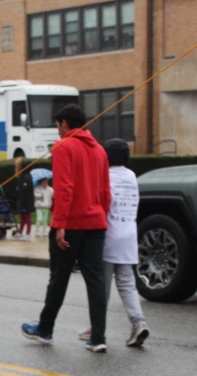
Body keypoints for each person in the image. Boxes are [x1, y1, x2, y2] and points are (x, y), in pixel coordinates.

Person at [21, 103, 110, 352]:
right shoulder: (100, 150)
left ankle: (45, 329)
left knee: (58, 278)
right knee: (96, 281)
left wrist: (60, 224)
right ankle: (98, 338)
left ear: (65, 123)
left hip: (71, 224)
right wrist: (103, 218)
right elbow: (106, 192)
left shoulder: (63, 146)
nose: (57, 130)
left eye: (58, 125)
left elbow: (64, 188)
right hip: (96, 223)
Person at [77, 139, 149, 347]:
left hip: (108, 235)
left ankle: (96, 329)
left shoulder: (104, 175)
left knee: (101, 286)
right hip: (129, 234)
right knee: (127, 283)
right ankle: (138, 322)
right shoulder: (132, 176)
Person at [12, 158, 34, 241]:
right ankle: (20, 232)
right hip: (22, 200)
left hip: (26, 201)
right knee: (22, 218)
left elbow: (26, 190)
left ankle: (28, 233)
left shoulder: (26, 177)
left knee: (27, 217)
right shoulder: (22, 176)